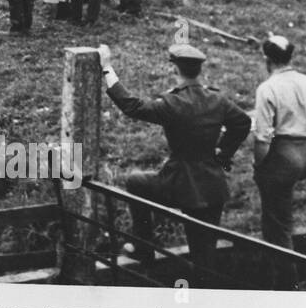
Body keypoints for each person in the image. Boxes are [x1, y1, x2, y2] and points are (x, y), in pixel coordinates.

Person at [99, 43, 252, 277]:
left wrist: (107, 67)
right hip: (212, 186)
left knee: (136, 182)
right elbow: (242, 122)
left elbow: (132, 106)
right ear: (199, 71)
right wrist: (223, 152)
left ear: (175, 70)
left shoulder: (172, 103)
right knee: (204, 256)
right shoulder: (217, 100)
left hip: (179, 184)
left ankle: (143, 247)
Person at [250, 34, 306, 288]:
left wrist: (259, 166)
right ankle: (273, 272)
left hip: (283, 156)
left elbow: (263, 139)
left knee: (276, 223)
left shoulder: (267, 88)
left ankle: (287, 282)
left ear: (266, 60)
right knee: (280, 213)